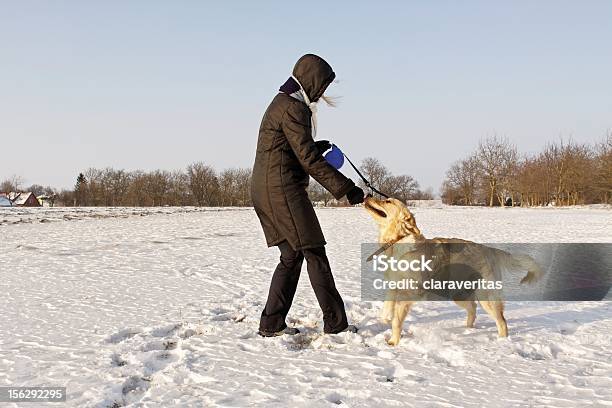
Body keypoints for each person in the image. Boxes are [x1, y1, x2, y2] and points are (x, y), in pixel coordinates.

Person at [251, 54, 365, 337]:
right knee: (314, 251)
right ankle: (336, 324)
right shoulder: (293, 108)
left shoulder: (283, 102)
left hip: (265, 189)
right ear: (312, 80)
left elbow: (294, 147)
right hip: (282, 190)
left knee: (291, 256)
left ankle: (271, 323)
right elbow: (308, 160)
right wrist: (346, 189)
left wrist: (317, 145)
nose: (323, 92)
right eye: (322, 85)